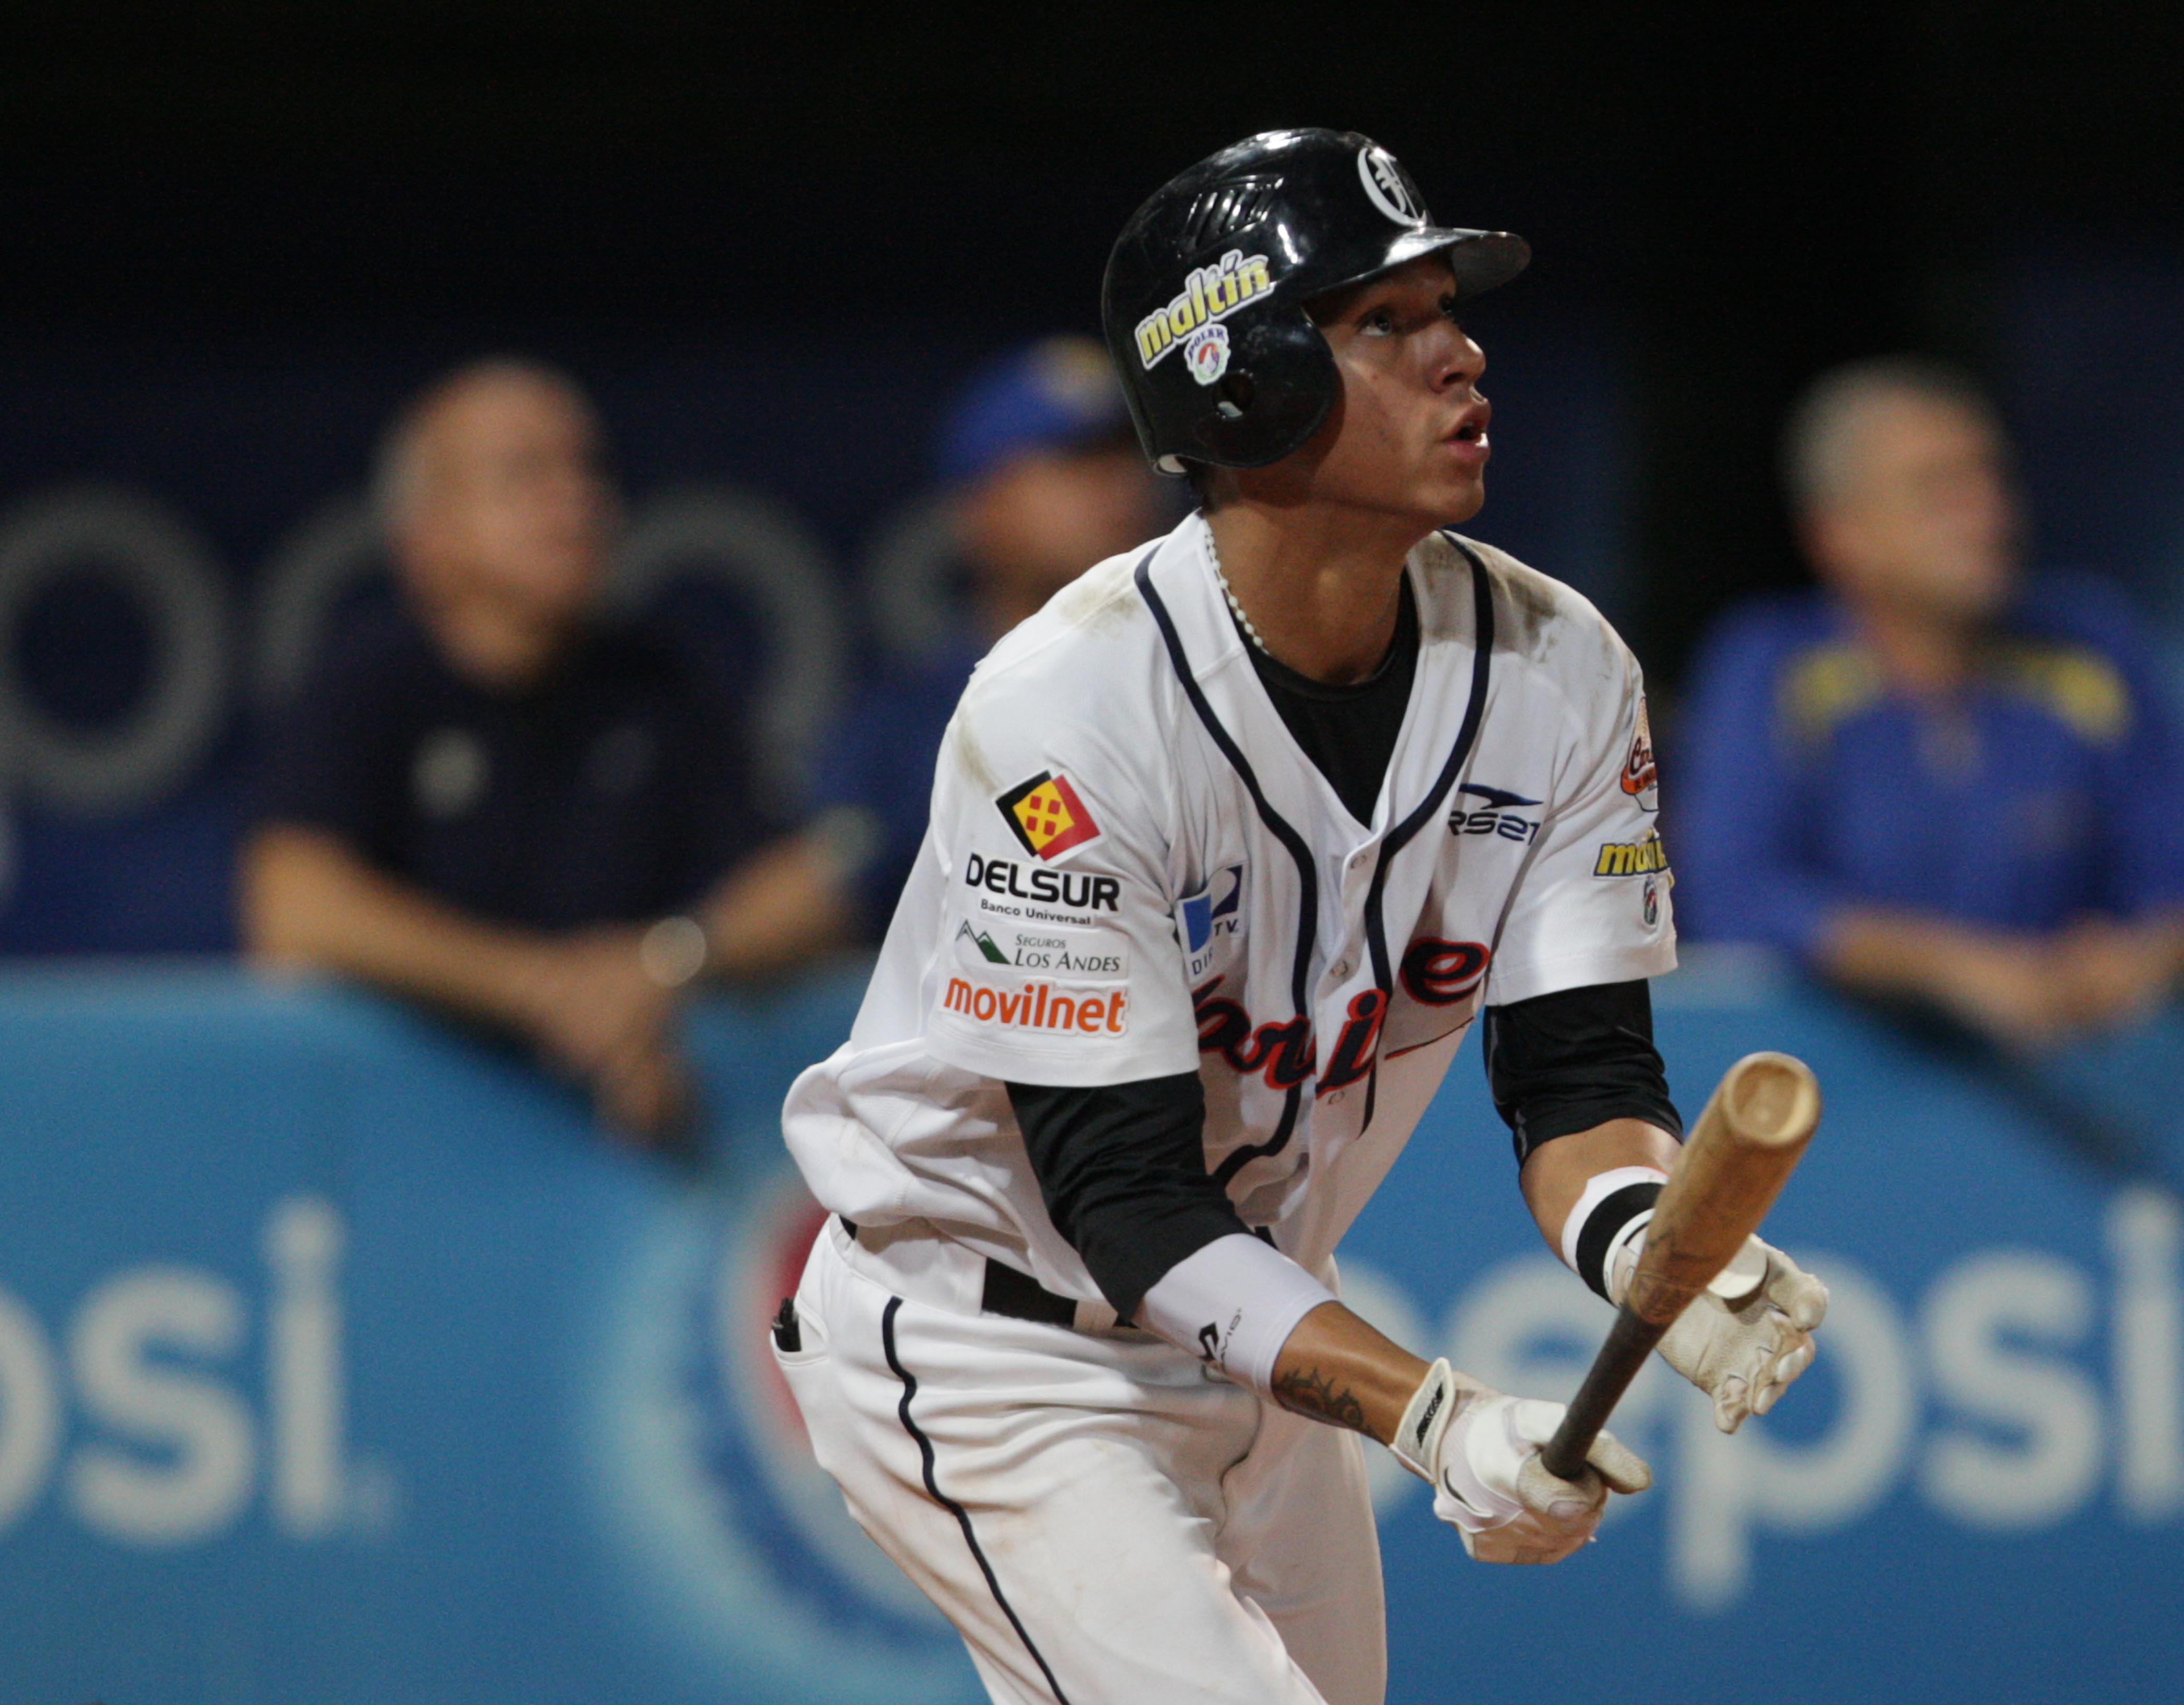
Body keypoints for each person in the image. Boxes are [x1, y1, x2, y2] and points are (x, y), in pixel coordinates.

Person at [770, 131, 1827, 1705]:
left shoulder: (1559, 665)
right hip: (1000, 1340)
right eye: (1384, 322)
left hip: (1261, 1329)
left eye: (1446, 310)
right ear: (1240, 378)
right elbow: (1124, 1201)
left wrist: (1645, 1242)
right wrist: (1435, 1413)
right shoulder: (1069, 709)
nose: (1462, 350)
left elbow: (1582, 1078)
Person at [241, 358, 847, 1145]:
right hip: (399, 1158)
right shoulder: (364, 686)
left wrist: (662, 967)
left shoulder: (660, 680)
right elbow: (293, 907)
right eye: (524, 474)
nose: (577, 500)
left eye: (588, 468)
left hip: (628, 1156)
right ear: (425, 536)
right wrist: (542, 990)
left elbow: (813, 887)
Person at [1673, 357, 2184, 1050]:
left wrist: (2142, 957)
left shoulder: (2092, 647)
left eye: (1991, 477)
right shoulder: (1770, 664)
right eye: (1937, 489)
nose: (1989, 515)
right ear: (1838, 535)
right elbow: (1736, 894)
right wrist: (1950, 970)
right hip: (1841, 1097)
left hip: (2090, 1082)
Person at [813, 335, 1167, 937]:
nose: (1119, 486)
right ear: (981, 510)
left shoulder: (1212, 670)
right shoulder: (915, 716)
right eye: (1076, 461)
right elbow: (823, 885)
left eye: (1128, 456)